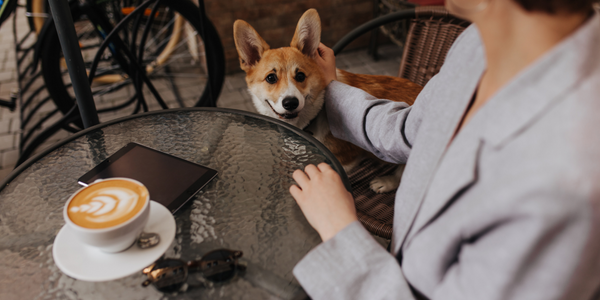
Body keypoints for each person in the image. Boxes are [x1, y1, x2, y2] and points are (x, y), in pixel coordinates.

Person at [288, 0, 600, 299]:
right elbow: (411, 130)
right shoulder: (479, 41)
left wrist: (340, 229)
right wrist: (332, 88)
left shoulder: (570, 181)